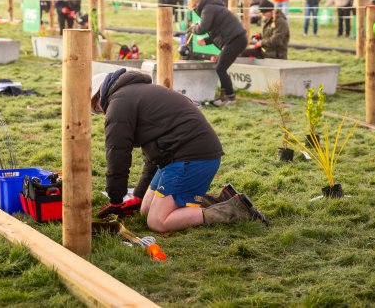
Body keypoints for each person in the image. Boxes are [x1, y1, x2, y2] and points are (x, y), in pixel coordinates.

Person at [91, 69, 269, 232]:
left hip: (192, 158)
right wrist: (138, 196)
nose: (101, 112)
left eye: (96, 108)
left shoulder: (119, 102)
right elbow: (152, 156)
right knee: (145, 210)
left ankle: (233, 210)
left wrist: (115, 200)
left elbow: (117, 154)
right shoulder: (135, 93)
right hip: (181, 156)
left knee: (158, 221)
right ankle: (221, 200)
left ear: (100, 95)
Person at [188, 0, 248, 106]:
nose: (194, 12)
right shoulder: (211, 6)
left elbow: (202, 28)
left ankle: (231, 99)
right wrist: (206, 41)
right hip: (236, 38)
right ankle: (223, 95)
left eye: (192, 9)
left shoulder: (207, 8)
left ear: (196, 5)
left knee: (221, 68)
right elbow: (218, 30)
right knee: (219, 65)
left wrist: (191, 28)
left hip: (235, 40)